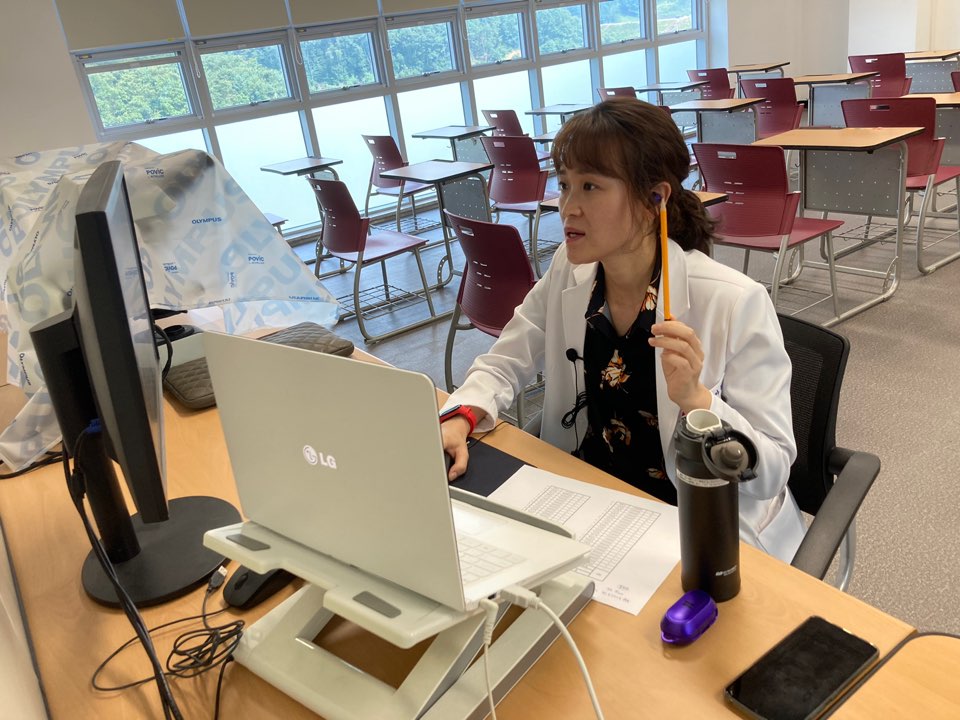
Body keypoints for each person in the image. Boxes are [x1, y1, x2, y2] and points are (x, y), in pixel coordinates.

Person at [439, 97, 805, 563]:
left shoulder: (734, 301)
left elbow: (772, 469)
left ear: (655, 199)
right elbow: (506, 359)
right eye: (564, 185)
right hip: (592, 498)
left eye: (590, 186)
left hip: (693, 521)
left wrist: (699, 402)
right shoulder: (569, 270)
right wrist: (462, 414)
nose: (568, 208)